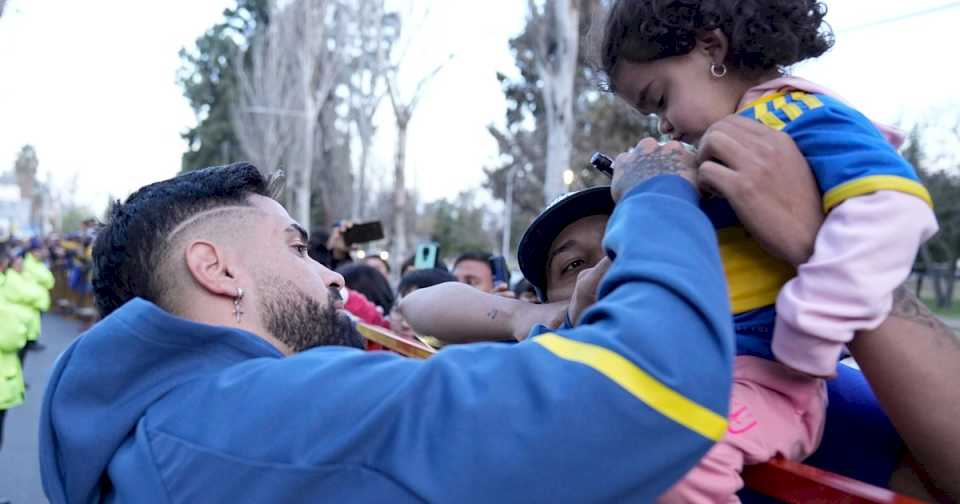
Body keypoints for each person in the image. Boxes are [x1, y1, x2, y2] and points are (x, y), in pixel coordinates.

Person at [40, 160, 736, 502]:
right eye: (295, 248)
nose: (333, 277)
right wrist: (657, 194)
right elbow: (653, 385)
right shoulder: (262, 415)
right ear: (216, 269)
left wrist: (526, 317)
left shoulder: (158, 429)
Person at [600, 1, 939, 499]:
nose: (664, 126)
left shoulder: (789, 110)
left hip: (765, 379)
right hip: (710, 367)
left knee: (677, 467)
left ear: (712, 49)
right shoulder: (739, 136)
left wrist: (813, 325)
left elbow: (892, 206)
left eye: (660, 98)